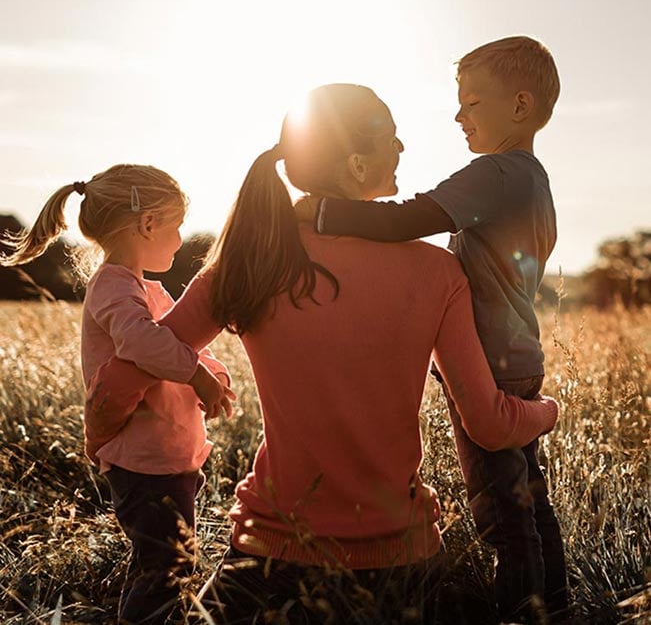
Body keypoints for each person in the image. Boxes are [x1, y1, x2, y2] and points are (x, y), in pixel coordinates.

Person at [157, 83, 560, 624]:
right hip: (402, 567)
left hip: (265, 558)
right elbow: (488, 424)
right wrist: (548, 411)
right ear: (356, 165)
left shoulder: (247, 260)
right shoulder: (437, 271)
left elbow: (142, 357)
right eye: (391, 139)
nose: (401, 149)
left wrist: (120, 420)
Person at [296, 38, 569, 623]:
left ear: (519, 107)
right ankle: (557, 608)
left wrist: (323, 213)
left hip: (489, 363)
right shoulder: (532, 179)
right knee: (529, 499)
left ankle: (523, 613)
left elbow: (414, 216)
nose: (458, 115)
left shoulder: (497, 173)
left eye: (472, 103)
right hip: (517, 356)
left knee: (503, 514)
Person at [0, 163, 236, 625]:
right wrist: (197, 376)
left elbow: (173, 343)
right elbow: (143, 344)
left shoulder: (144, 287)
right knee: (165, 570)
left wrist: (211, 371)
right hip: (145, 463)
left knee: (163, 563)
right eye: (177, 224)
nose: (181, 236)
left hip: (166, 456)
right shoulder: (113, 285)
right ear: (148, 224)